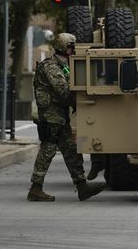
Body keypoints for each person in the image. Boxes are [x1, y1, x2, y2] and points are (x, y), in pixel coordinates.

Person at [27, 33, 105, 202]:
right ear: (62, 47)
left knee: (71, 150)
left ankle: (82, 186)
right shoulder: (51, 67)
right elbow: (63, 91)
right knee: (48, 150)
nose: (73, 50)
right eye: (70, 47)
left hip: (60, 117)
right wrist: (82, 97)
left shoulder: (64, 66)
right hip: (51, 117)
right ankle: (35, 188)